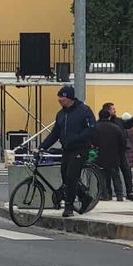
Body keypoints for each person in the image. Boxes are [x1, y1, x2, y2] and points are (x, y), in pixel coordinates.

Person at [40, 85, 98, 217]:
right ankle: (84, 196)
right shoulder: (61, 114)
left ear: (69, 98)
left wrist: (76, 138)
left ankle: (69, 206)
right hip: (66, 149)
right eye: (59, 98)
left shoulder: (84, 110)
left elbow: (91, 129)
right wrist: (42, 146)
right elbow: (55, 133)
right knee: (65, 177)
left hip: (80, 148)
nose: (59, 100)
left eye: (62, 98)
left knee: (72, 176)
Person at [101, 103, 133, 201]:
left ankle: (129, 192)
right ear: (108, 111)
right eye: (113, 109)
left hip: (121, 152)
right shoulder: (103, 123)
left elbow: (128, 124)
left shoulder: (118, 121)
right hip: (109, 152)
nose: (115, 110)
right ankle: (109, 194)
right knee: (110, 174)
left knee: (127, 171)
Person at [93, 108, 127, 201]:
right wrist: (119, 152)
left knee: (102, 177)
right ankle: (119, 195)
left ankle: (106, 194)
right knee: (115, 176)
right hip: (114, 156)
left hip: (99, 156)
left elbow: (92, 141)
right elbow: (123, 142)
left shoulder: (95, 127)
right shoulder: (116, 128)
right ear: (109, 116)